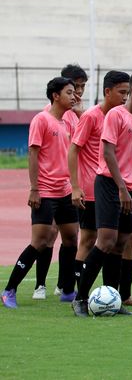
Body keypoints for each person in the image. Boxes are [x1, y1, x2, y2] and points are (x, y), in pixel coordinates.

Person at [72, 72, 132, 316]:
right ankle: (79, 298)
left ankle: (114, 299)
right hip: (110, 184)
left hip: (128, 189)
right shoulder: (115, 115)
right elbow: (108, 153)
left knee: (122, 243)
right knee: (106, 240)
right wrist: (122, 189)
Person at [3, 78, 79, 309]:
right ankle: (9, 290)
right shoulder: (41, 120)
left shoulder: (69, 122)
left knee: (71, 238)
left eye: (75, 92)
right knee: (40, 242)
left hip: (65, 190)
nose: (74, 97)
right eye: (69, 92)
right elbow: (33, 154)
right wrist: (34, 188)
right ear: (55, 95)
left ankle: (67, 290)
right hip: (45, 191)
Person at [35, 64, 88, 300]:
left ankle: (63, 285)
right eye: (75, 87)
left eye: (82, 87)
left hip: (69, 185)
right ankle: (40, 285)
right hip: (50, 185)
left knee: (71, 235)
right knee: (48, 235)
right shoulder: (49, 114)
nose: (78, 92)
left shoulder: (76, 114)